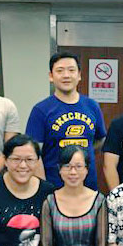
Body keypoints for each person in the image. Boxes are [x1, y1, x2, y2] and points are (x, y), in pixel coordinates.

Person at [26, 52, 107, 190]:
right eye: (60, 71)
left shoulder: (92, 106)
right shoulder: (41, 110)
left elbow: (100, 140)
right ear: (51, 76)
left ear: (79, 75)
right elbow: (33, 154)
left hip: (88, 187)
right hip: (54, 187)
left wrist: (82, 149)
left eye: (71, 70)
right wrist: (43, 189)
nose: (66, 75)